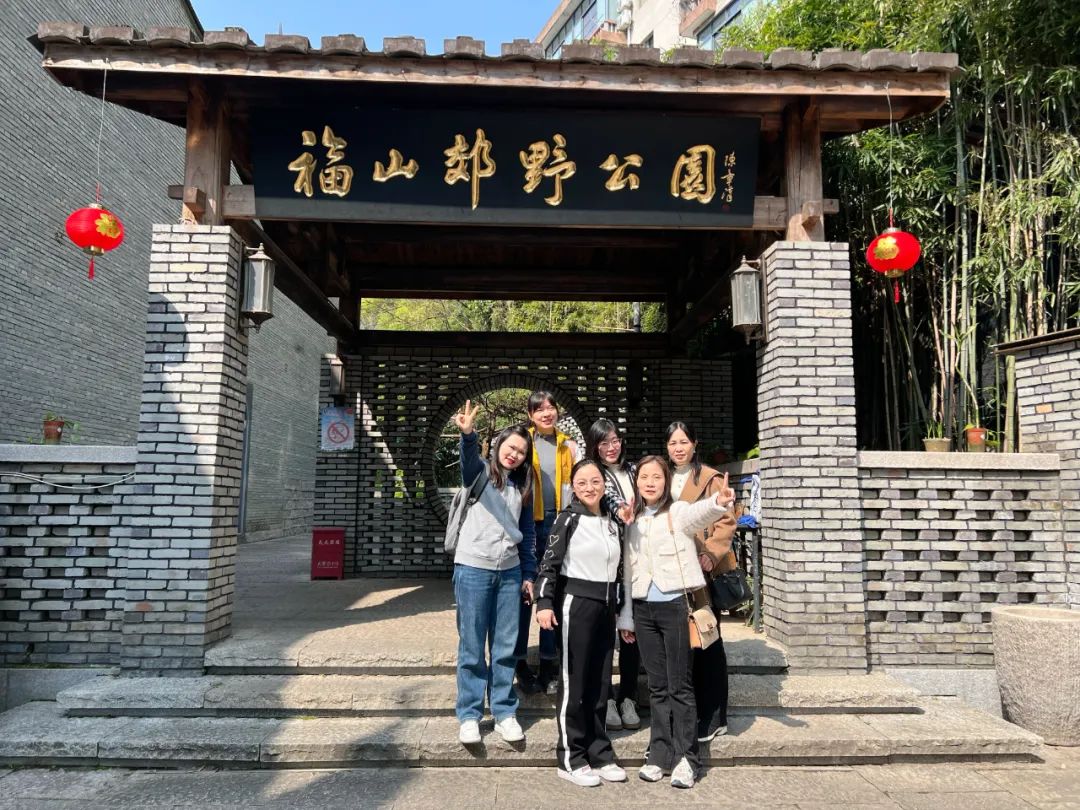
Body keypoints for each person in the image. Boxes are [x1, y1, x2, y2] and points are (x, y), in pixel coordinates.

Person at [617, 455, 734, 789]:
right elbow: (628, 572)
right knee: (657, 687)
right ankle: (659, 754)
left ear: (666, 481)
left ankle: (687, 759)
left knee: (680, 686)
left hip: (674, 607)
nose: (650, 483)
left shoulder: (678, 511)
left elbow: (701, 514)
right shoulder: (632, 519)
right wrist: (626, 617)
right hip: (643, 610)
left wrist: (718, 502)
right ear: (637, 482)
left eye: (656, 477)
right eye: (644, 477)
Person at [535, 459, 628, 787]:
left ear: (605, 485)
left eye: (595, 481)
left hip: (606, 606)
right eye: (582, 482)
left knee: (600, 683)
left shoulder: (613, 521)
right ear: (573, 487)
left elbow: (619, 570)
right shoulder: (567, 519)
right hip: (576, 604)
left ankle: (599, 752)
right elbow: (549, 564)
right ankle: (570, 757)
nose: (590, 488)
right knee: (574, 682)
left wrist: (622, 610)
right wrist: (544, 603)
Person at [451, 400, 537, 746]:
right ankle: (470, 715)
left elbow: (527, 532)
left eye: (521, 451)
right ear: (499, 444)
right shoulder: (480, 473)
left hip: (510, 573)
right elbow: (468, 460)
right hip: (473, 567)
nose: (514, 454)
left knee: (505, 646)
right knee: (472, 646)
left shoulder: (524, 485)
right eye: (510, 447)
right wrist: (468, 434)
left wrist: (528, 574)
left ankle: (503, 711)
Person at [665, 421, 738, 744]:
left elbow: (727, 520)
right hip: (673, 571)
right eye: (672, 443)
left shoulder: (710, 478)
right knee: (684, 642)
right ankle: (690, 710)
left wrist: (711, 552)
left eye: (684, 442)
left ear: (694, 444)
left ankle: (715, 715)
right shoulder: (663, 476)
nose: (678, 448)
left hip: (702, 572)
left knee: (708, 639)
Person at [517, 390, 579, 694]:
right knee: (524, 595)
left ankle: (548, 665)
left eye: (550, 407)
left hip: (559, 523)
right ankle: (519, 663)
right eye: (539, 409)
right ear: (530, 415)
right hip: (529, 522)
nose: (546, 413)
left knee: (551, 595)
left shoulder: (568, 445)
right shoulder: (522, 441)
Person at [584, 418, 641, 731]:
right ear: (595, 446)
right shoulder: (594, 473)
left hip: (639, 561)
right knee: (606, 632)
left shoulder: (634, 470)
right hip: (608, 565)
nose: (611, 447)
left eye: (615, 440)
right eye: (603, 442)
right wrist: (622, 511)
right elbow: (609, 498)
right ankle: (605, 698)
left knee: (631, 631)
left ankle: (628, 697)